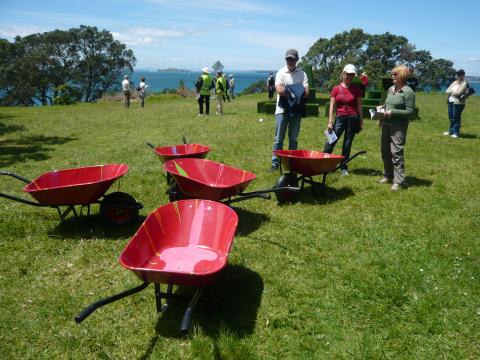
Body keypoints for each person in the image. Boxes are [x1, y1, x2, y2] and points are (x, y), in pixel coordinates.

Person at [269, 49, 309, 172]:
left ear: (297, 59)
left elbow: (307, 93)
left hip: (296, 111)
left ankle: (292, 162)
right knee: (278, 139)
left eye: (292, 59)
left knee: (293, 139)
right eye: (288, 59)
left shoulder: (302, 74)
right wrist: (297, 91)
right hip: (282, 110)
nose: (290, 61)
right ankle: (275, 163)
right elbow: (279, 90)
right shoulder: (281, 73)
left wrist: (289, 91)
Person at [378, 65, 416, 191]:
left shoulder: (408, 92)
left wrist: (393, 112)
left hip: (398, 126)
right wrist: (380, 112)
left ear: (402, 76)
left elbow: (410, 113)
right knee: (385, 151)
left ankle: (398, 181)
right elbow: (387, 104)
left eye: (395, 74)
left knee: (396, 152)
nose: (392, 76)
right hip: (386, 123)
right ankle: (388, 175)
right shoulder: (391, 89)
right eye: (392, 74)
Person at [323, 64, 363, 176]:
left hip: (353, 118)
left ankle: (343, 166)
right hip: (340, 117)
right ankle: (324, 162)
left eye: (352, 75)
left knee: (347, 143)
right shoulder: (336, 89)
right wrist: (330, 122)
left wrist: (361, 121)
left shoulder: (356, 89)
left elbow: (359, 105)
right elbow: (332, 106)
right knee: (331, 140)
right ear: (343, 74)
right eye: (348, 74)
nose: (349, 76)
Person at [444, 69, 468, 138]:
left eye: (460, 75)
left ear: (463, 75)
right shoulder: (454, 82)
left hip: (458, 103)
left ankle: (456, 132)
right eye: (458, 74)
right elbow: (446, 91)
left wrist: (451, 92)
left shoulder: (464, 83)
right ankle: (451, 131)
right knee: (451, 117)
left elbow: (458, 93)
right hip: (451, 101)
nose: (458, 76)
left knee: (456, 117)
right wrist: (452, 92)